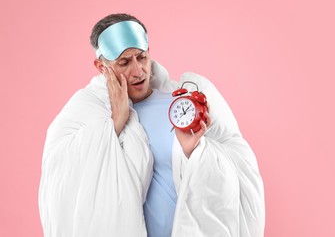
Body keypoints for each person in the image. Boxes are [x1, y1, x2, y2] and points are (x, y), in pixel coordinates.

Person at [39, 13, 265, 237]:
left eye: (142, 57)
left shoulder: (181, 103)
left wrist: (195, 151)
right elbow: (62, 178)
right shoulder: (87, 112)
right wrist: (115, 122)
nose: (138, 71)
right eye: (125, 63)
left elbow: (238, 164)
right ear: (101, 67)